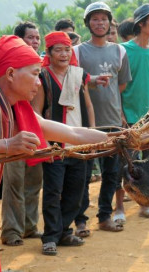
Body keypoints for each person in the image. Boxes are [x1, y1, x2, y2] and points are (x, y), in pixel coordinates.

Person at [0, 35, 108, 271]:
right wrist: (6, 145)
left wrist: (125, 138)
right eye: (35, 74)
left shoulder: (14, 109)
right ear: (11, 73)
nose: (39, 82)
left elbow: (73, 133)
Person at [31, 31, 109, 256]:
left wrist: (92, 134)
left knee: (76, 192)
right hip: (55, 145)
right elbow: (37, 111)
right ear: (49, 53)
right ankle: (51, 237)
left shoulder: (79, 74)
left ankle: (64, 231)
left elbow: (88, 105)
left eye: (67, 49)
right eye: (58, 50)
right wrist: (44, 142)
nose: (64, 54)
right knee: (53, 192)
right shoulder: (43, 77)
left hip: (79, 145)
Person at [75, 2, 131, 232]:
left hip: (113, 123)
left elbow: (122, 83)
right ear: (88, 23)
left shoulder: (120, 51)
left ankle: (104, 216)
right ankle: (80, 221)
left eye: (104, 19)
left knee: (111, 174)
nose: (100, 23)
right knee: (84, 174)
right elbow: (71, 80)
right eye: (95, 19)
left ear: (110, 23)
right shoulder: (78, 51)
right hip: (85, 124)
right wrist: (92, 80)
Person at [121, 3, 149, 220]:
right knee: (126, 162)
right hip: (129, 115)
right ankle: (119, 208)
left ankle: (145, 205)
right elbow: (118, 86)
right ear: (141, 24)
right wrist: (119, 112)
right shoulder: (124, 51)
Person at [1, 22, 43, 247]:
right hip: (14, 132)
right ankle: (11, 231)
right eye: (31, 37)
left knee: (34, 181)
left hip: (35, 130)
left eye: (37, 38)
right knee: (14, 182)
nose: (35, 41)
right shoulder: (11, 68)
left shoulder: (39, 67)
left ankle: (29, 226)